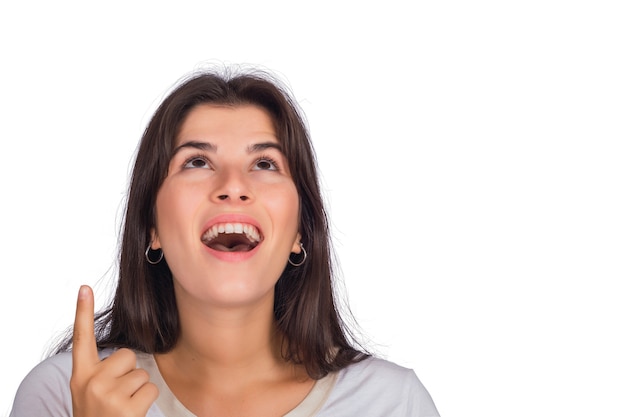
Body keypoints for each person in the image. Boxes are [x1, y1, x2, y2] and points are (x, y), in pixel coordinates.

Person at [10, 67, 440, 417]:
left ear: (300, 232)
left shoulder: (394, 403)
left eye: (265, 163)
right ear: (152, 227)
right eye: (197, 161)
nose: (233, 186)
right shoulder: (62, 395)